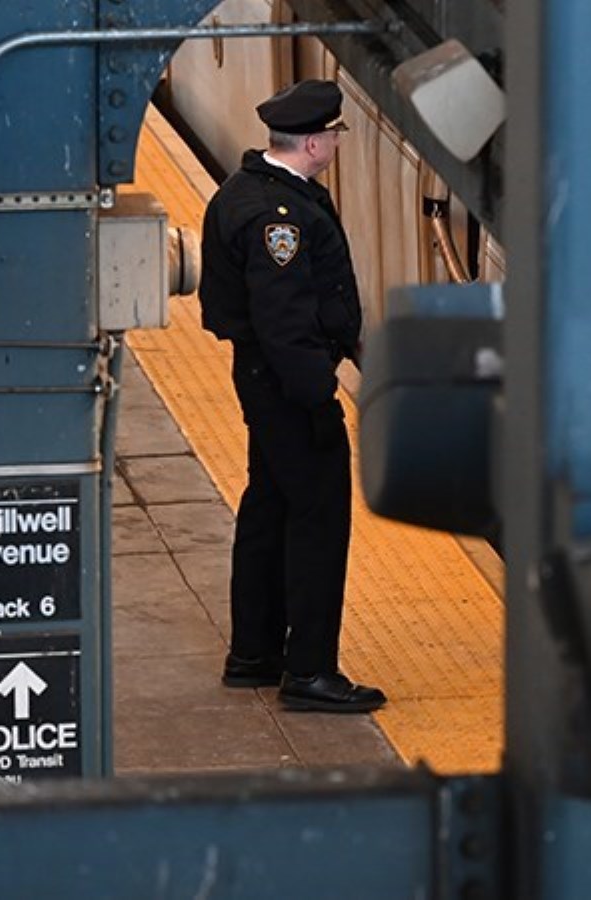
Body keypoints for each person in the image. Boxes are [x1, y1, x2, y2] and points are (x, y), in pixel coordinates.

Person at [198, 79, 385, 713]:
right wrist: (318, 395)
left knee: (270, 508)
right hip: (287, 387)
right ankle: (309, 670)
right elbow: (284, 321)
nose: (335, 141)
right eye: (332, 134)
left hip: (261, 381)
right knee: (317, 522)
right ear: (313, 142)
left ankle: (254, 653)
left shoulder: (251, 191)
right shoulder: (279, 218)